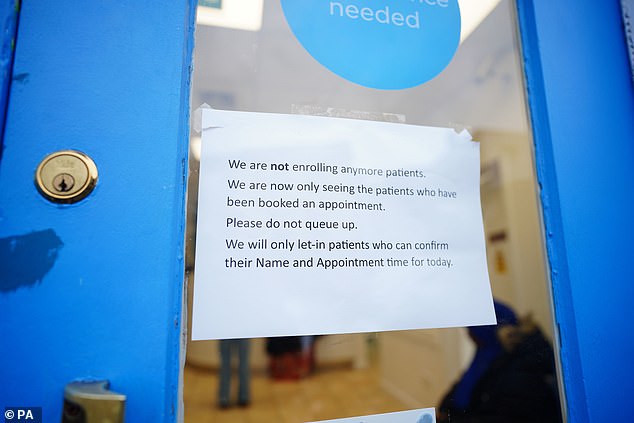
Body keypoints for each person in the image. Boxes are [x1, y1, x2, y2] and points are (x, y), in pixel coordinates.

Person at [438, 301, 561, 423]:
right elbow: (458, 393)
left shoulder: (522, 368)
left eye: (473, 331)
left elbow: (502, 416)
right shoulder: (489, 356)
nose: (469, 336)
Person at [217, 338, 250, 408]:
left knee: (226, 363)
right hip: (242, 330)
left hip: (226, 330)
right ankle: (243, 397)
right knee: (243, 363)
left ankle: (224, 397)